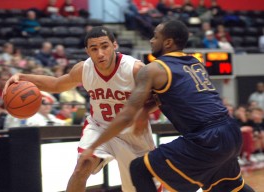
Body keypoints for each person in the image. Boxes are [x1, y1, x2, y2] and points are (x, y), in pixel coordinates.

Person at [79, 20, 255, 192]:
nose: (151, 40)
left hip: (205, 137)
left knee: (139, 169)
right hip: (231, 131)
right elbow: (176, 95)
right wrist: (145, 111)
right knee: (230, 187)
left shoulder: (153, 69)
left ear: (168, 42)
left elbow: (126, 116)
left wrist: (93, 147)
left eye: (156, 36)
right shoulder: (195, 63)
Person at [3, 26, 155, 192]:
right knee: (81, 168)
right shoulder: (84, 69)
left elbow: (161, 97)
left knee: (142, 187)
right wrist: (22, 77)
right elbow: (56, 84)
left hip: (133, 133)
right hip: (100, 127)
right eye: (94, 49)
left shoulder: (134, 68)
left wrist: (145, 112)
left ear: (115, 46)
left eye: (105, 46)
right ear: (87, 51)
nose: (100, 53)